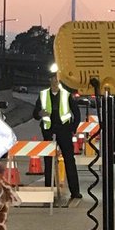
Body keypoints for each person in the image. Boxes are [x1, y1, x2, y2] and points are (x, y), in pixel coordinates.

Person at [32, 74, 82, 206]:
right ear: (50, 81)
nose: (55, 82)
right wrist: (40, 114)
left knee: (69, 160)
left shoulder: (66, 94)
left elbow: (76, 114)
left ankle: (75, 191)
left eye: (57, 80)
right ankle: (49, 189)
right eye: (53, 80)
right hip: (48, 130)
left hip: (64, 131)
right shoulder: (43, 95)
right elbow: (35, 114)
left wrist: (72, 128)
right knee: (48, 161)